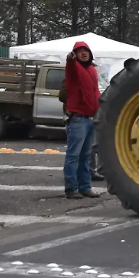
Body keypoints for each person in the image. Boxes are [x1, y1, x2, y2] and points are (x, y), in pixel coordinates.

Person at [63, 42, 101, 200]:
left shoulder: (92, 69)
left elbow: (95, 91)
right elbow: (70, 65)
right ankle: (71, 188)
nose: (83, 53)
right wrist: (70, 59)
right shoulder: (74, 67)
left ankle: (85, 187)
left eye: (86, 50)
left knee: (85, 156)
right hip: (78, 118)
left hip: (90, 118)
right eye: (79, 51)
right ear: (75, 54)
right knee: (73, 156)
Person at [60, 79, 104, 181]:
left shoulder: (92, 79)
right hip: (76, 117)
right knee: (75, 152)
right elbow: (62, 96)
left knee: (89, 149)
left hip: (89, 117)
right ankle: (72, 181)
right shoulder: (71, 78)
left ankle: (90, 173)